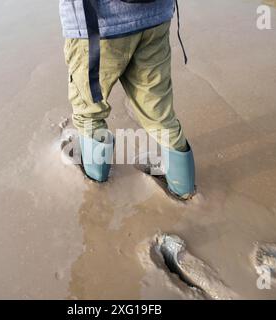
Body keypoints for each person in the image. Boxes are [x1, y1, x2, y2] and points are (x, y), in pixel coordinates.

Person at [59, 0, 196, 200]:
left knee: (89, 113)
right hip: (155, 17)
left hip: (95, 24)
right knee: (160, 114)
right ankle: (184, 190)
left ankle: (97, 187)